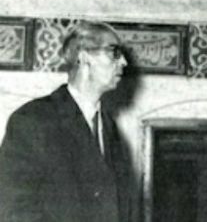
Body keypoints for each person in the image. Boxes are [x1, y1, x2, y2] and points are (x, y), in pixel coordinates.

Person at [0, 20, 132, 222]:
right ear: (84, 57)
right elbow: (15, 209)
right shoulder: (33, 119)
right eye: (114, 52)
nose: (123, 62)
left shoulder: (108, 127)